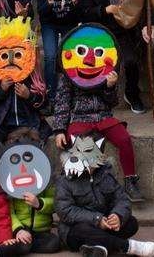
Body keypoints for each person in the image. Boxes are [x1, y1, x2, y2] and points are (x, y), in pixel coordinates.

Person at [51, 32, 143, 203]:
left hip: (103, 116)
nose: (89, 60)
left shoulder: (107, 72)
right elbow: (62, 103)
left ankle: (131, 180)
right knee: (73, 141)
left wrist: (110, 87)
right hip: (79, 118)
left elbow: (112, 102)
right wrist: (59, 130)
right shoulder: (68, 75)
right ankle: (74, 184)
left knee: (124, 139)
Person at [55, 133, 154, 257]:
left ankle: (95, 246)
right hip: (76, 229)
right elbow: (65, 211)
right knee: (83, 230)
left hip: (104, 224)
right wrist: (96, 219)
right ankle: (128, 247)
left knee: (131, 223)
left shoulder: (106, 174)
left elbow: (122, 199)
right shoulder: (66, 179)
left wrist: (117, 216)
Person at [34, 0, 97, 100]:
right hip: (50, 24)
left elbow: (82, 14)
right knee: (50, 56)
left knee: (72, 55)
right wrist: (48, 5)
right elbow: (40, 13)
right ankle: (52, 95)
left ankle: (74, 93)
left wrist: (76, 3)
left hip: (69, 23)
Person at [3, 128, 63, 255]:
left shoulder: (45, 177)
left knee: (54, 244)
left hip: (42, 230)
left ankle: (25, 245)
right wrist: (18, 229)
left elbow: (55, 204)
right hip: (21, 227)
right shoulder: (10, 180)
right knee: (23, 244)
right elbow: (8, 210)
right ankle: (21, 244)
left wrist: (39, 203)